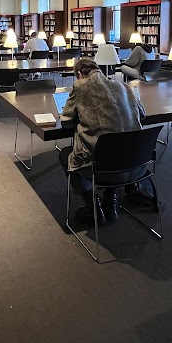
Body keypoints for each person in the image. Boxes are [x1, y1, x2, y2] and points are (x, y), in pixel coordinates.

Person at [59, 58, 150, 225]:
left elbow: (66, 120)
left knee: (66, 155)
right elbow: (142, 114)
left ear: (80, 74)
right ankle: (111, 203)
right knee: (115, 143)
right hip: (138, 164)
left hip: (104, 169)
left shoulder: (80, 86)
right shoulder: (124, 86)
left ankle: (94, 207)